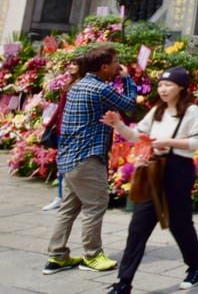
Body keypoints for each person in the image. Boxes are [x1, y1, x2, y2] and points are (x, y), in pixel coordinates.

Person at [102, 67, 198, 293]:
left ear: (181, 87)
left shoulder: (191, 111)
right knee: (138, 227)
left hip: (178, 171)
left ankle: (196, 265)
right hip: (154, 170)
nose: (163, 89)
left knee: (180, 224)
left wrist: (168, 142)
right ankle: (124, 283)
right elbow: (137, 136)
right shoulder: (156, 111)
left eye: (168, 85)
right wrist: (118, 125)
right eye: (160, 85)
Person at [43, 46, 137, 276]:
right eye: (115, 62)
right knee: (95, 207)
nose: (118, 66)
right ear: (104, 67)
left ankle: (57, 256)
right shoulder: (100, 88)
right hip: (87, 158)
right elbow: (130, 106)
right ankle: (92, 255)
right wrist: (127, 79)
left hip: (68, 158)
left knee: (67, 209)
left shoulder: (77, 85)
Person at [42, 57, 84, 212]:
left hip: (74, 132)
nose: (71, 67)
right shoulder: (68, 84)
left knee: (73, 167)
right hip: (62, 131)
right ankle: (60, 197)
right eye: (71, 64)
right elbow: (60, 108)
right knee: (62, 166)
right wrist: (50, 125)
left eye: (75, 64)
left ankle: (71, 198)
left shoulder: (83, 85)